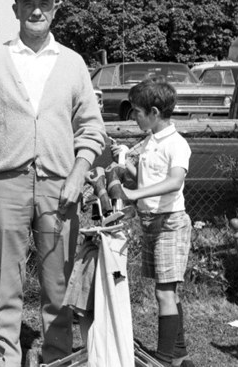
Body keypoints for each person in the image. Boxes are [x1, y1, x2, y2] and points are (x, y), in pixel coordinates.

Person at [0, 0, 106, 366]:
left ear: (55, 9)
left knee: (58, 285)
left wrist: (78, 172)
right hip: (6, 185)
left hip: (60, 187)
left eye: (45, 3)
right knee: (6, 285)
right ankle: (7, 359)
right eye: (28, 2)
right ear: (15, 8)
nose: (36, 10)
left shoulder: (72, 62)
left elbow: (91, 127)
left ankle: (56, 358)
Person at [112, 77, 194, 367]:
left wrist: (134, 193)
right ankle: (180, 354)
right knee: (167, 290)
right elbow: (147, 177)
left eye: (137, 111)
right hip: (151, 222)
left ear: (155, 113)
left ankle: (162, 359)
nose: (133, 116)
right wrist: (125, 162)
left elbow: (173, 182)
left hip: (170, 223)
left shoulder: (176, 143)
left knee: (164, 292)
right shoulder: (149, 141)